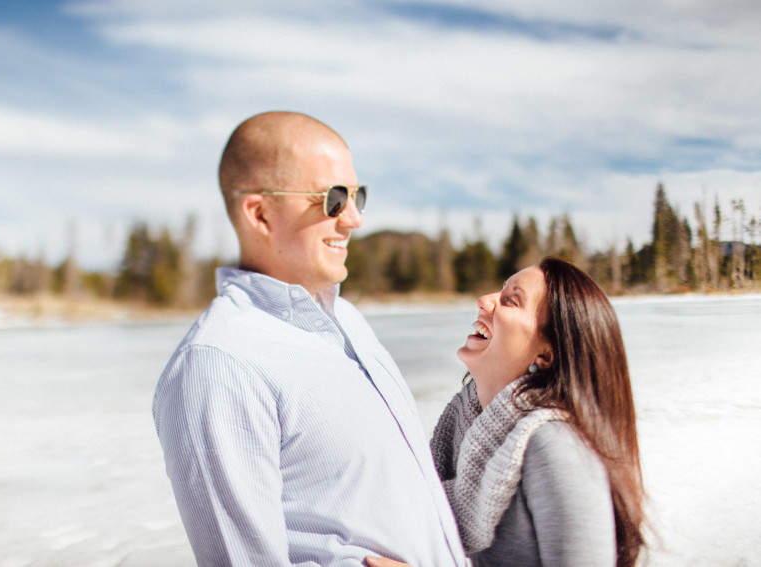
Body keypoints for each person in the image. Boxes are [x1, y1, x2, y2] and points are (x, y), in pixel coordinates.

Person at [152, 111, 467, 566]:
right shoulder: (220, 364)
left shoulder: (349, 320)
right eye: (334, 199)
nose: (354, 218)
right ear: (259, 214)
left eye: (359, 196)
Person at [367, 256, 646, 567]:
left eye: (511, 301)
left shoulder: (553, 444)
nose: (484, 301)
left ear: (546, 354)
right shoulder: (467, 427)